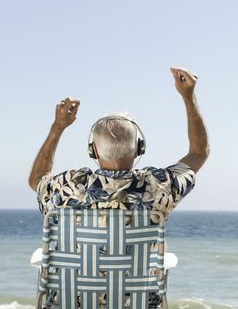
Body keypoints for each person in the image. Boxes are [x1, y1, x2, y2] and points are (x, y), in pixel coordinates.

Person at [28, 67, 210, 307]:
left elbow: (37, 178)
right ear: (139, 149)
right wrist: (188, 96)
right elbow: (199, 152)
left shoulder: (69, 186)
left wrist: (57, 127)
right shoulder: (158, 185)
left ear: (93, 151)